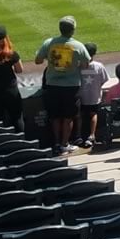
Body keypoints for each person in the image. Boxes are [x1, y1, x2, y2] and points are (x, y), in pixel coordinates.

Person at [36, 15, 91, 154]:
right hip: (71, 87)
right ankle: (64, 144)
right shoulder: (78, 46)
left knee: (55, 116)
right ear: (73, 30)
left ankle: (56, 144)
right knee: (68, 117)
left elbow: (38, 60)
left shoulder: (49, 43)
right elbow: (86, 65)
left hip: (52, 85)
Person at [77, 43, 110, 149]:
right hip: (95, 97)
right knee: (93, 114)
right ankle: (91, 135)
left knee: (80, 115)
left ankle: (79, 136)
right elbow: (105, 81)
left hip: (81, 97)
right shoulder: (99, 66)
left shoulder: (78, 66)